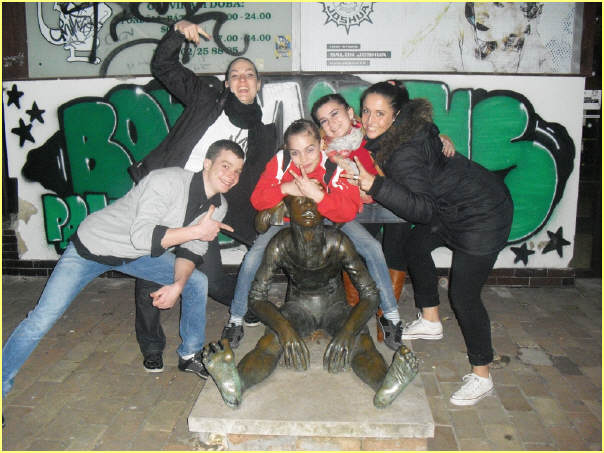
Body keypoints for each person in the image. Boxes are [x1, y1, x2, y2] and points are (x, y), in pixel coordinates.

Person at [2, 140, 245, 399]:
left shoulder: (219, 206)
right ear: (207, 164)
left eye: (237, 171)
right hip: (91, 247)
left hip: (132, 255)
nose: (231, 175)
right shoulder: (167, 181)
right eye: (225, 166)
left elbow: (191, 251)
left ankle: (190, 355)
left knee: (195, 282)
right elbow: (142, 237)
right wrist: (196, 231)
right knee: (42, 318)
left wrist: (177, 284)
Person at [127, 19, 278, 372]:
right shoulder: (205, 99)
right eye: (235, 75)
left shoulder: (263, 133)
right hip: (166, 193)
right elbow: (163, 66)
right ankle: (152, 346)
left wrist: (260, 221)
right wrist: (177, 32)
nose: (242, 80)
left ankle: (244, 305)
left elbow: (257, 181)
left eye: (249, 75)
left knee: (210, 278)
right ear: (227, 83)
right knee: (150, 272)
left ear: (258, 84)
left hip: (205, 208)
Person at [351, 81, 513, 406]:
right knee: (415, 245)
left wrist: (375, 185)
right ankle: (430, 320)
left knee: (464, 296)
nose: (370, 120)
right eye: (366, 111)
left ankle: (482, 375)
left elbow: (422, 209)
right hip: (454, 207)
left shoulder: (403, 152)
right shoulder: (409, 129)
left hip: (482, 214)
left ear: (396, 115)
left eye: (379, 113)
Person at [202, 195, 419, 409]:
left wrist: (348, 331)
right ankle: (237, 383)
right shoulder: (280, 244)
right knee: (270, 343)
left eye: (313, 201)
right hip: (298, 309)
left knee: (361, 344)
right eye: (300, 201)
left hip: (335, 308)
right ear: (287, 210)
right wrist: (285, 329)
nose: (308, 206)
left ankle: (384, 385)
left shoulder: (338, 241)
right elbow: (257, 297)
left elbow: (370, 294)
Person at [221, 119, 404, 351]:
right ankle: (236, 319)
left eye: (310, 150)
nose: (303, 159)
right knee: (253, 257)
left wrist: (318, 196)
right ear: (287, 150)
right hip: (287, 219)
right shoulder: (281, 161)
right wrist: (286, 189)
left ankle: (391, 315)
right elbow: (258, 199)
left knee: (372, 247)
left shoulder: (333, 165)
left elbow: (347, 211)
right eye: (295, 152)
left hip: (328, 216)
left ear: (321, 145)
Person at [310, 93, 455, 344]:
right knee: (355, 258)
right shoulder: (322, 146)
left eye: (335, 114)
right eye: (324, 120)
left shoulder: (372, 130)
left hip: (392, 201)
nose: (331, 123)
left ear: (350, 112)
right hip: (358, 209)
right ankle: (355, 316)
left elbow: (412, 136)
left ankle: (384, 320)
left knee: (394, 253)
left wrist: (440, 138)